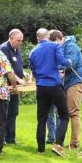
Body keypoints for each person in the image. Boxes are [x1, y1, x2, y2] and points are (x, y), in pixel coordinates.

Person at [27, 28, 68, 156]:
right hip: (54, 85)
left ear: (37, 38)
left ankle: (40, 149)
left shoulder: (33, 52)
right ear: (47, 36)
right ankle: (58, 144)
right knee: (64, 115)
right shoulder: (54, 46)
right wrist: (69, 62)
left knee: (41, 119)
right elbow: (62, 62)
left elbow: (33, 71)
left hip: (41, 87)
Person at [59, 32, 82, 150]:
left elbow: (71, 63)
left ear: (58, 39)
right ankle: (68, 142)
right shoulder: (63, 46)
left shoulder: (71, 46)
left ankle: (74, 144)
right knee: (66, 112)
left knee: (73, 112)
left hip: (76, 82)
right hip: (68, 83)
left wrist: (60, 69)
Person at [0, 30, 25, 144]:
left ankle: (11, 138)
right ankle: (3, 138)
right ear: (11, 38)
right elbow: (6, 69)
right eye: (18, 40)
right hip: (7, 86)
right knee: (5, 112)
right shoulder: (3, 48)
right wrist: (18, 79)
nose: (20, 43)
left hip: (15, 86)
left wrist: (23, 73)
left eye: (21, 41)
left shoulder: (16, 48)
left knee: (14, 112)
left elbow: (16, 65)